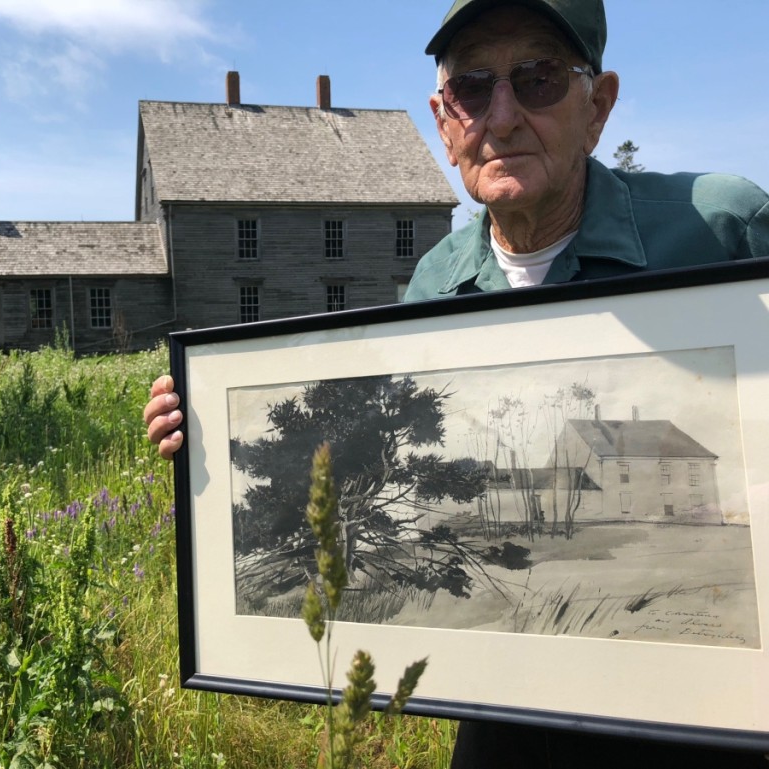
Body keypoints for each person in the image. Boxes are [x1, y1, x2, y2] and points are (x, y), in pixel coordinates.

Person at [145, 0, 769, 765]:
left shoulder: (725, 231)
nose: (501, 117)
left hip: (713, 720)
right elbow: (376, 466)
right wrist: (214, 437)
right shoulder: (434, 284)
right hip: (506, 718)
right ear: (445, 122)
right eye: (473, 89)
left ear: (598, 105)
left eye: (537, 78)